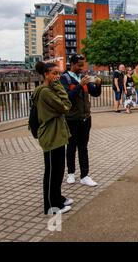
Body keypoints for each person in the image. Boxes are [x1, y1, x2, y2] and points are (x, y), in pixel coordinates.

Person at [31, 62, 73, 215]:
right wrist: (60, 87)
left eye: (59, 73)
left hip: (56, 134)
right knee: (51, 172)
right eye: (54, 73)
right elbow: (65, 106)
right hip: (50, 135)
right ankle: (50, 206)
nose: (58, 76)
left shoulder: (50, 89)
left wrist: (56, 87)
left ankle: (57, 198)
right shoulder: (45, 92)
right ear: (46, 74)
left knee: (58, 170)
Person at [60, 55, 102, 187]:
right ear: (72, 64)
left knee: (83, 147)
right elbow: (67, 97)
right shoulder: (64, 78)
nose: (81, 68)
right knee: (71, 147)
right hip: (71, 119)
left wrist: (98, 85)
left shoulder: (83, 77)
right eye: (79, 65)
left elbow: (94, 93)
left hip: (85, 118)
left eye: (82, 65)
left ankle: (85, 175)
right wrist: (80, 85)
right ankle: (71, 173)